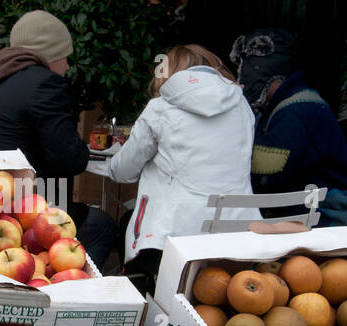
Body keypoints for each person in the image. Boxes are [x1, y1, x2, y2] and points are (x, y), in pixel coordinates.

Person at [0, 10, 116, 269]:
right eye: (64, 57)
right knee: (102, 225)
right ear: (48, 55)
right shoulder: (45, 84)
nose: (66, 66)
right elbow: (69, 160)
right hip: (19, 208)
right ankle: (65, 289)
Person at [106, 45, 259, 289]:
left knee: (130, 229)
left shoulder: (160, 108)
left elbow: (121, 172)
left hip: (172, 242)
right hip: (235, 235)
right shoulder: (242, 107)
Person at [231, 27, 347, 225]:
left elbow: (268, 171)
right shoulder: (285, 102)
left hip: (334, 214)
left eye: (243, 69)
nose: (240, 79)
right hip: (308, 200)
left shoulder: (297, 112)